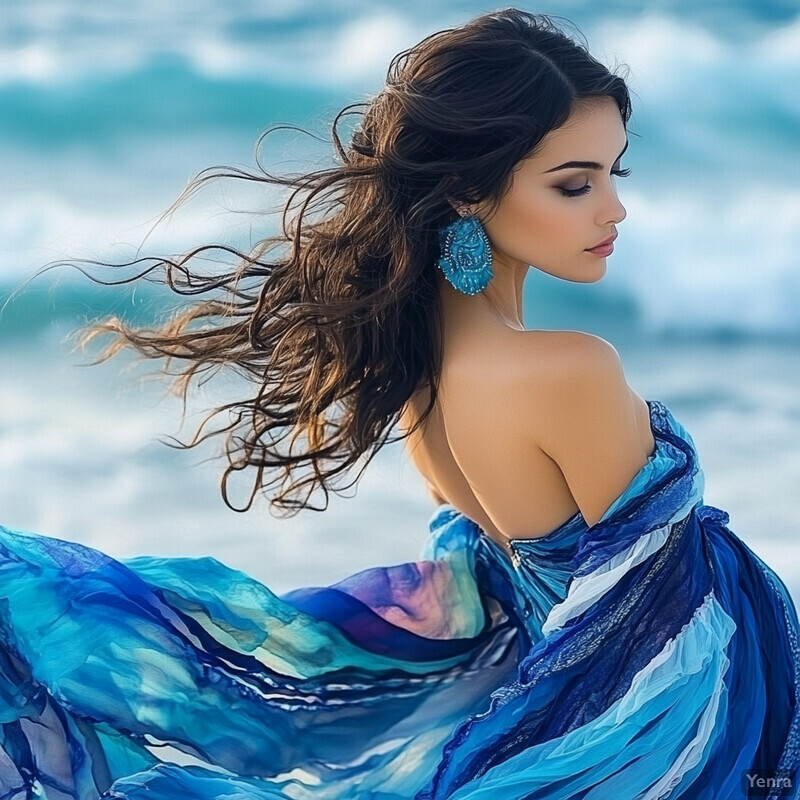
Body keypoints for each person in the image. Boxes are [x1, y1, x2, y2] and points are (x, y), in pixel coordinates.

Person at [1, 7, 798, 799]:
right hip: (690, 750)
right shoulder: (570, 372)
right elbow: (668, 634)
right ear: (467, 192)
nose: (612, 208)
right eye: (573, 184)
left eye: (611, 174)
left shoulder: (424, 385)